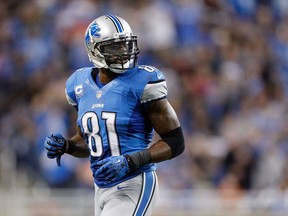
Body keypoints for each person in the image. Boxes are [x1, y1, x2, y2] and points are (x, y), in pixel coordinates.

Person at [44, 14, 185, 216]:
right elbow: (91, 142)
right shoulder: (78, 84)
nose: (124, 52)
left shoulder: (143, 81)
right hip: (100, 187)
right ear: (94, 50)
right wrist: (68, 146)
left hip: (134, 182)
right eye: (114, 47)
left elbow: (175, 141)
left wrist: (130, 161)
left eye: (126, 45)